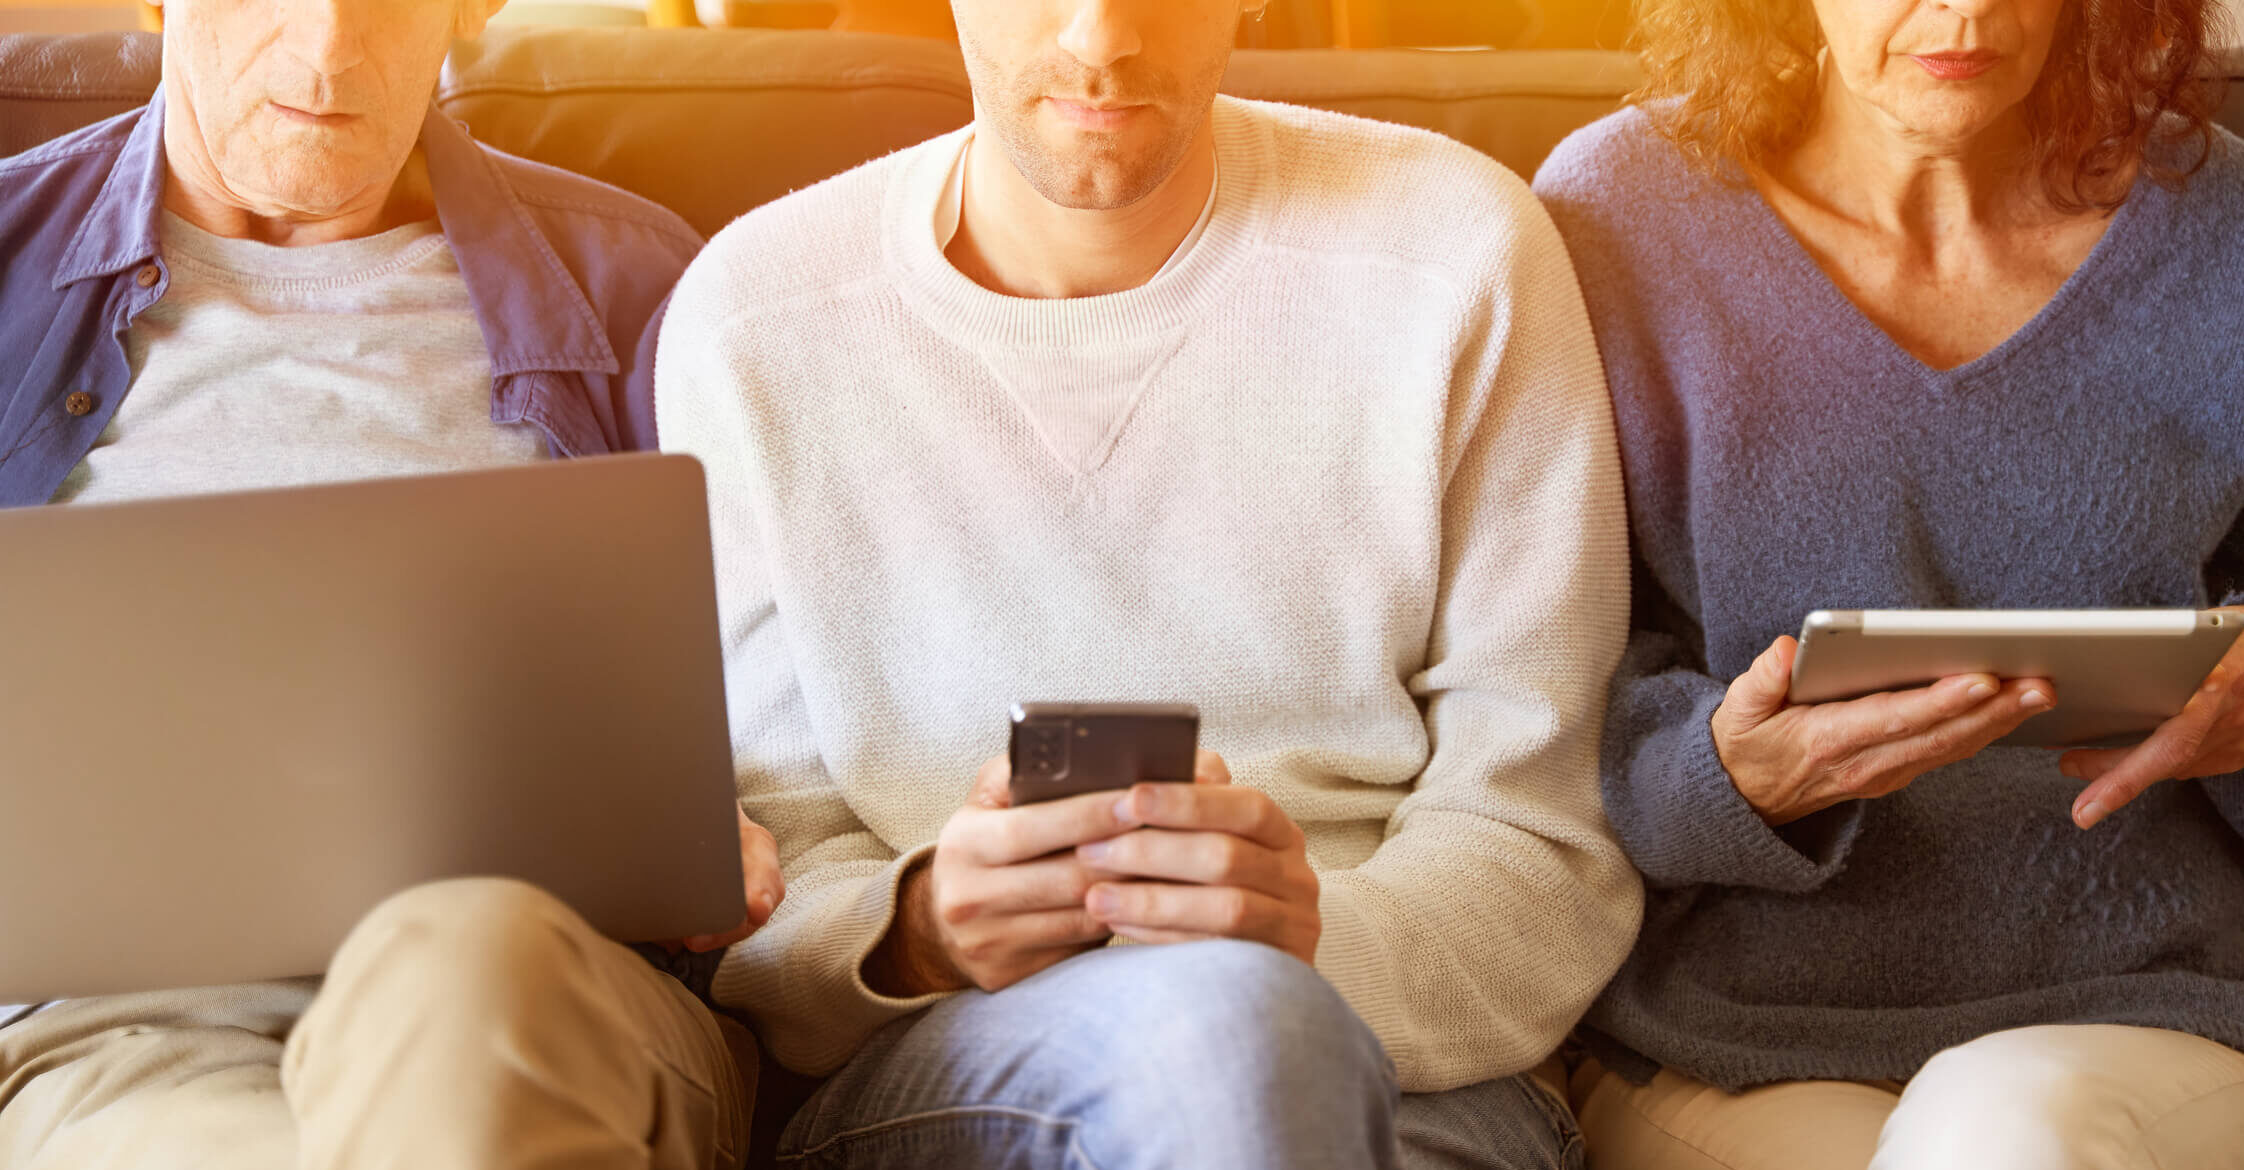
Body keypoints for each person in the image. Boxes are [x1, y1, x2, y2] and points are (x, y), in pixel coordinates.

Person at [656, 0, 1644, 1165]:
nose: (1100, 38)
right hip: (953, 1074)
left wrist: (1309, 942)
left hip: (1406, 1071)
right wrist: (917, 931)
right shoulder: (757, 316)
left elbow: (1545, 840)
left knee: (1244, 1039)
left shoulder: (1457, 251)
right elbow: (765, 885)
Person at [0, 2, 778, 1167]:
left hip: (542, 985)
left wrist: (730, 827)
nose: (325, 53)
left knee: (471, 973)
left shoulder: (646, 288)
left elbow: (786, 698)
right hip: (129, 1024)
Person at [1533, 0, 2244, 1164]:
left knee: (2009, 1132)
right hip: (1738, 1021)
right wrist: (1718, 777)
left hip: (2153, 988)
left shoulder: (2222, 226)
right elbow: (1529, 680)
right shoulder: (1617, 215)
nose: (1963, 8)